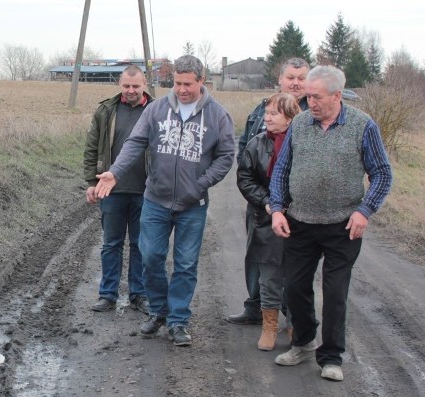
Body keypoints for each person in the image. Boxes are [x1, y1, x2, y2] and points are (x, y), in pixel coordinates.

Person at [94, 55, 235, 346]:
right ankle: (158, 310)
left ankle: (178, 321)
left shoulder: (218, 115)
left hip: (192, 206)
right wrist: (115, 173)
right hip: (155, 201)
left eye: (188, 84)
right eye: (177, 83)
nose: (182, 89)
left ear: (201, 80)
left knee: (185, 264)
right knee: (151, 256)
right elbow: (135, 143)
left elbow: (225, 156)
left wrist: (201, 184)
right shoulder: (157, 109)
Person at [270, 65, 393, 381]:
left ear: (337, 95)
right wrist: (278, 210)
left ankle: (332, 358)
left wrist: (365, 210)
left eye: (317, 97)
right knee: (295, 287)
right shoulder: (298, 124)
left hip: (343, 225)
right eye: (308, 96)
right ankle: (303, 341)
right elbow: (282, 171)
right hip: (299, 222)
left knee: (335, 291)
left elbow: (381, 173)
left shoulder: (363, 126)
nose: (310, 102)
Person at [226, 57, 310, 326]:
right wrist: (260, 197)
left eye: (301, 78)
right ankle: (256, 306)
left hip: (297, 206)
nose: (295, 83)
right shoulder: (261, 109)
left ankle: (291, 314)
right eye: (290, 78)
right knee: (257, 255)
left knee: (294, 262)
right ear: (281, 80)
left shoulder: (313, 114)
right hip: (260, 201)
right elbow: (245, 148)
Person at [84, 65, 154, 314]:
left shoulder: (156, 111)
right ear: (119, 84)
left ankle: (139, 295)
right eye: (127, 86)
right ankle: (108, 295)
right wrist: (92, 184)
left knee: (140, 245)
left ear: (145, 83)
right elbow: (92, 148)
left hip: (146, 191)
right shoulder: (106, 111)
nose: (131, 91)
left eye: (136, 86)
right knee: (111, 244)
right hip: (110, 191)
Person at [237, 93, 301, 351]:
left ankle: (297, 326)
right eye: (267, 113)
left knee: (298, 277)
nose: (268, 118)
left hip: (299, 221)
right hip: (264, 220)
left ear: (291, 117)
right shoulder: (257, 144)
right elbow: (245, 178)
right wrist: (266, 202)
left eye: (275, 113)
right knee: (269, 277)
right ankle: (270, 327)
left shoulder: (303, 144)